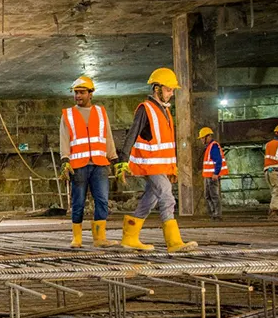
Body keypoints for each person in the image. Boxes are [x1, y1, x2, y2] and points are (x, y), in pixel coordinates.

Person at [122, 68, 197, 253]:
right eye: (169, 89)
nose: (171, 93)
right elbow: (131, 135)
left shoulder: (164, 111)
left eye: (172, 90)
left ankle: (130, 237)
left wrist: (172, 168)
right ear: (157, 88)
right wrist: (122, 161)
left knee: (150, 199)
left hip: (159, 165)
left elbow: (165, 145)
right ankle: (174, 242)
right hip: (149, 164)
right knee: (167, 196)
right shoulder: (145, 109)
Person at [59, 76, 118, 248]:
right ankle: (77, 238)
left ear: (90, 94)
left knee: (102, 200)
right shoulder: (67, 115)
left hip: (99, 163)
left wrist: (114, 159)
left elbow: (108, 136)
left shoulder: (101, 112)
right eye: (76, 93)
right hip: (78, 166)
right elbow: (64, 139)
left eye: (82, 92)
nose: (78, 96)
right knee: (78, 201)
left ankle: (100, 237)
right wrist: (65, 160)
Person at [198, 127, 228, 221]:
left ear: (208, 136)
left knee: (214, 195)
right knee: (208, 195)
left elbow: (218, 160)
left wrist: (216, 173)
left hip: (212, 176)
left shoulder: (213, 146)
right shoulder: (209, 147)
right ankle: (213, 214)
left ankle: (217, 214)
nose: (202, 140)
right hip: (208, 176)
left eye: (203, 138)